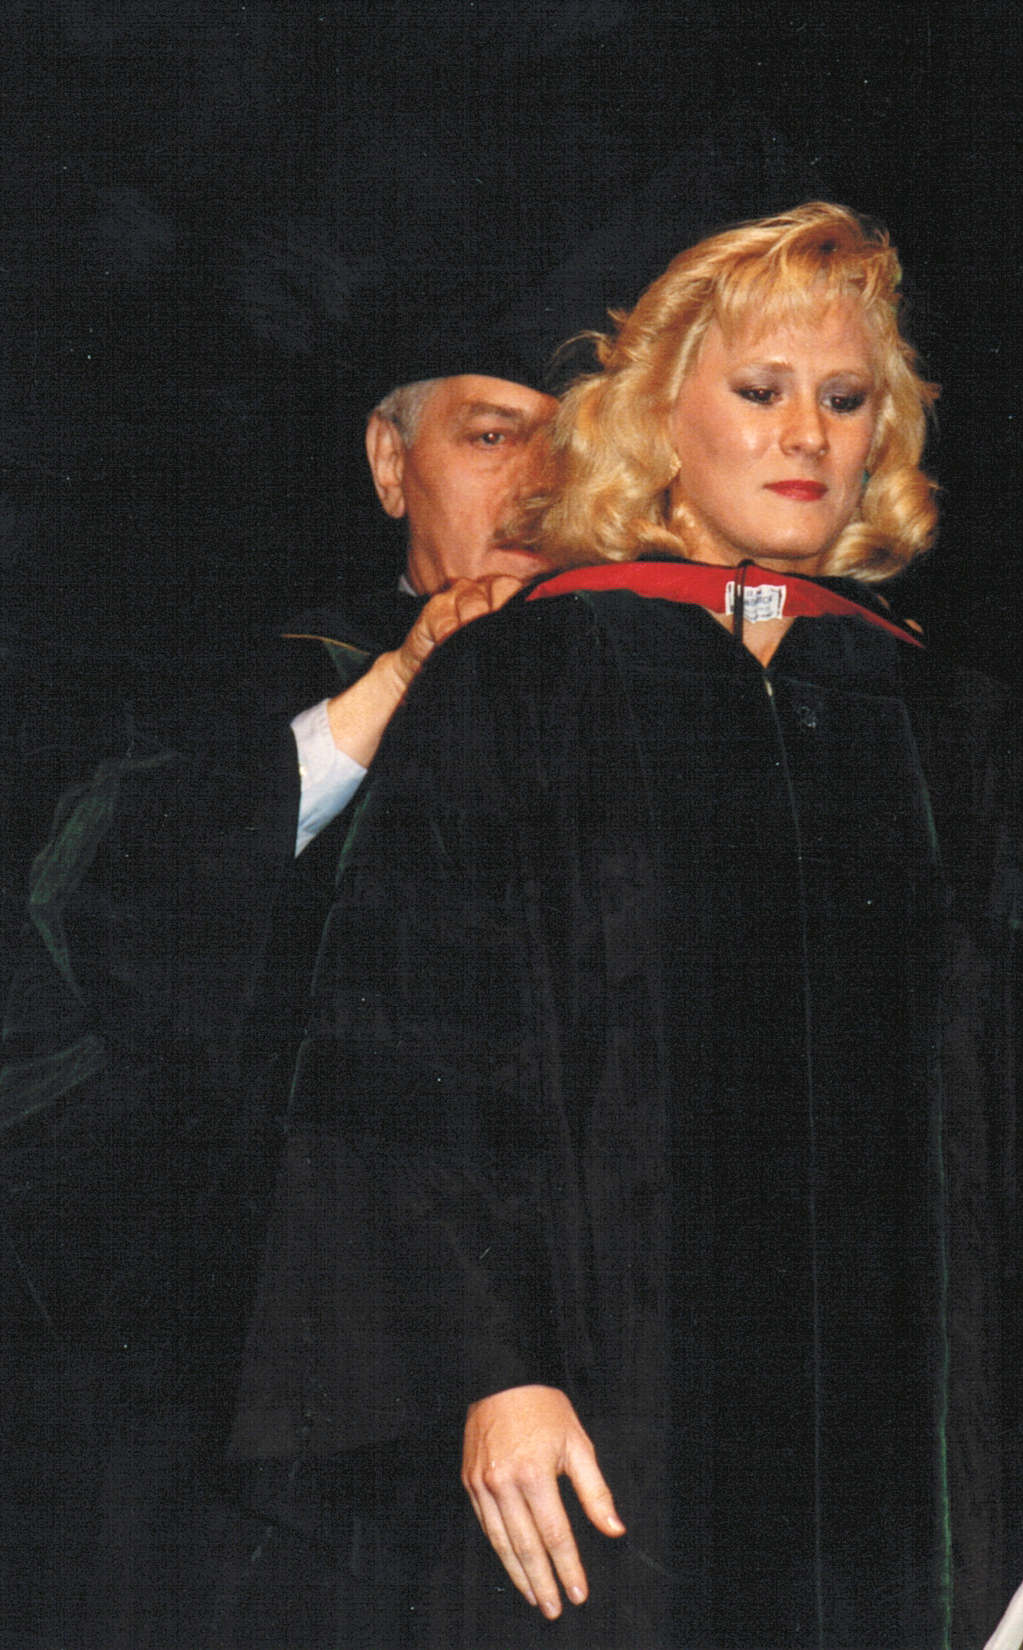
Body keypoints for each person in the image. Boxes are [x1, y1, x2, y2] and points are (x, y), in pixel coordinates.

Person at [233, 206, 1023, 1649]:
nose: (807, 435)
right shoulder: (517, 688)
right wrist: (487, 1369)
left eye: (844, 399)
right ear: (660, 418)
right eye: (758, 391)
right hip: (600, 1441)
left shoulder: (962, 736)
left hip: (925, 1466)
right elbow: (406, 1052)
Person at [0, 369, 556, 1650]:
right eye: (488, 435)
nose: (540, 479)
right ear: (386, 461)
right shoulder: (236, 683)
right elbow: (112, 927)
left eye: (579, 440)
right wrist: (402, 681)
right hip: (238, 1370)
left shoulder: (658, 713)